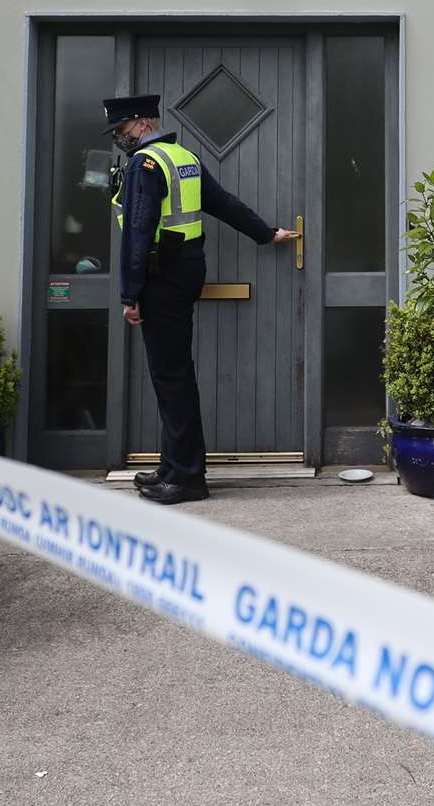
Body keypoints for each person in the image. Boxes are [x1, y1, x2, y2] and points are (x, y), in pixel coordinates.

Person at [103, 94, 298, 504]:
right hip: (186, 269)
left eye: (121, 130)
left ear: (140, 124)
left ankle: (188, 476)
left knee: (171, 378)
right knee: (173, 375)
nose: (119, 137)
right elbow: (223, 203)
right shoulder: (182, 157)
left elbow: (139, 232)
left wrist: (129, 293)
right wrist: (266, 233)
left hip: (161, 278)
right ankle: (174, 466)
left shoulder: (146, 163)